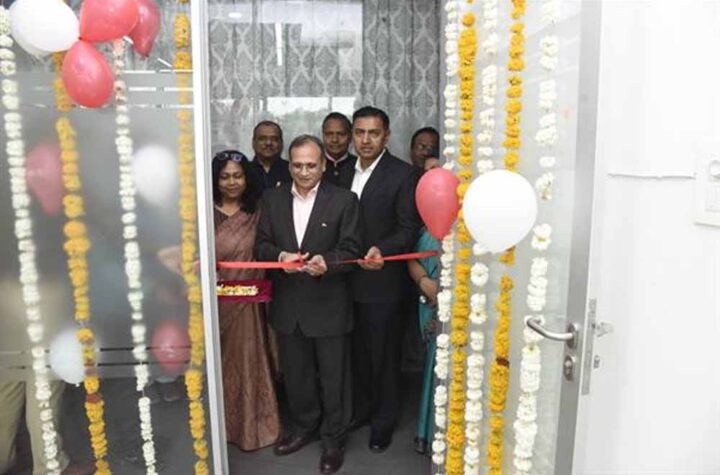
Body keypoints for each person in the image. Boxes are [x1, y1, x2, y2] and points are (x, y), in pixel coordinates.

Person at [255, 135, 361, 474]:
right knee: (297, 377)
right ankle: (303, 427)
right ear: (289, 165)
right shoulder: (271, 199)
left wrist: (328, 263)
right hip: (289, 307)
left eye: (311, 165)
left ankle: (333, 440)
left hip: (329, 305)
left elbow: (352, 250)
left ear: (323, 165)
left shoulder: (344, 200)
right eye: (298, 165)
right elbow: (261, 245)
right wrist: (280, 257)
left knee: (334, 379)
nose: (304, 172)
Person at [343, 106, 420, 452]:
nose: (365, 140)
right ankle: (362, 411)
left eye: (373, 133)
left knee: (384, 358)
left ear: (386, 136)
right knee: (355, 354)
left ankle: (383, 422)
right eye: (360, 132)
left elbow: (408, 227)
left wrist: (382, 249)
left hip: (383, 283)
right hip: (344, 283)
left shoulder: (402, 174)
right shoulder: (342, 171)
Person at [212, 150, 281, 450]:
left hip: (250, 304)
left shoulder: (258, 212)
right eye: (225, 177)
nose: (231, 182)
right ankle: (220, 428)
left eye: (237, 176)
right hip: (215, 305)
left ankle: (252, 429)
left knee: (249, 363)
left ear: (247, 178)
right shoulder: (205, 213)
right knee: (219, 366)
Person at [407, 157, 442, 455]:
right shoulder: (420, 219)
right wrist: (424, 282)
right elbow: (410, 259)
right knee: (433, 360)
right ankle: (426, 432)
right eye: (430, 171)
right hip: (428, 299)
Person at [249, 121, 291, 191]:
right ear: (253, 143)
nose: (268, 143)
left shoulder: (292, 171)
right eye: (262, 139)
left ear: (281, 143)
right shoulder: (245, 171)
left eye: (274, 139)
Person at [321, 112, 355, 187]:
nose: (335, 140)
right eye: (329, 134)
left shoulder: (358, 166)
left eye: (341, 134)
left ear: (350, 137)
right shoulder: (314, 166)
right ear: (323, 136)